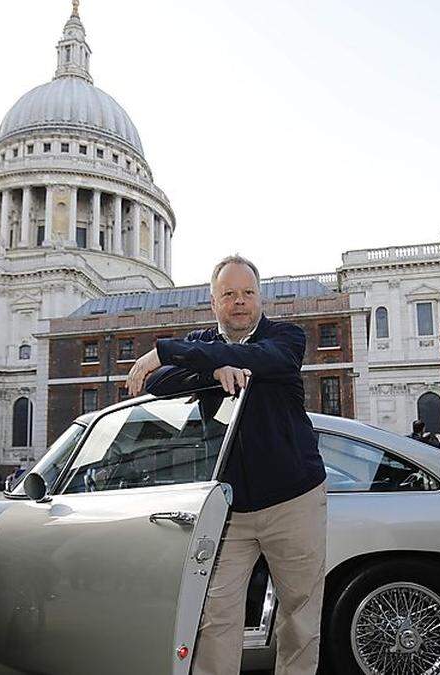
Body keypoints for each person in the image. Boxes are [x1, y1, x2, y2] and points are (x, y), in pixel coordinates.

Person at [127, 255, 327, 675]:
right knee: (216, 615)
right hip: (229, 508)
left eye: (248, 293)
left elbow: (268, 361)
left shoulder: (286, 336)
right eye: (230, 294)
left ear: (260, 298)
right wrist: (215, 363)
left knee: (300, 616)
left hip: (294, 498)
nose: (240, 302)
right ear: (214, 301)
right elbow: (159, 383)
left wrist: (168, 350)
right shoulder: (203, 341)